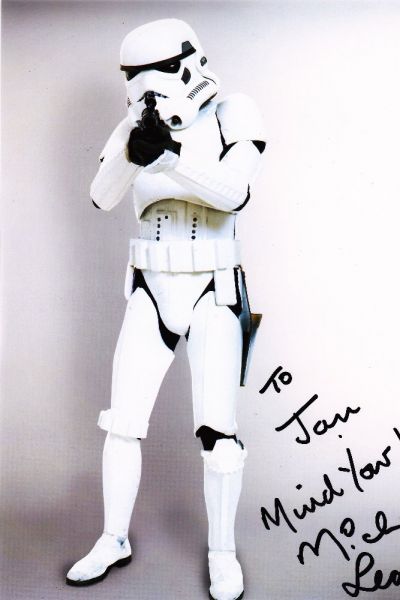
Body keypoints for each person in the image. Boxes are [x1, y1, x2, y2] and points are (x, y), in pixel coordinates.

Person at [66, 18, 265, 600]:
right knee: (122, 424)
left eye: (160, 76)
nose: (149, 91)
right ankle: (113, 538)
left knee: (219, 436)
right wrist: (134, 150)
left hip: (212, 291)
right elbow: (102, 195)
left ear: (188, 64)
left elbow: (234, 192)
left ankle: (222, 552)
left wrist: (171, 156)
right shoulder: (135, 124)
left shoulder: (232, 114)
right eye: (137, 81)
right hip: (151, 289)